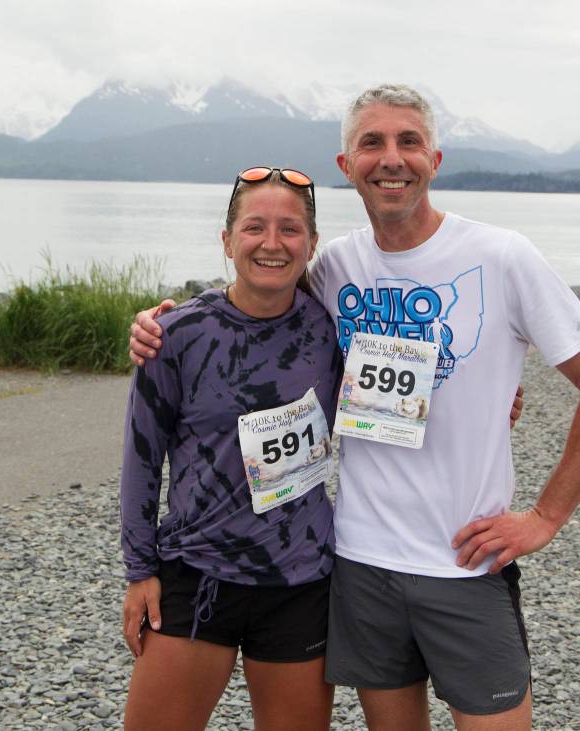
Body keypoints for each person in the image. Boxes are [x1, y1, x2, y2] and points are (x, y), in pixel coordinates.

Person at [131, 85, 580, 731]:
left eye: (408, 142)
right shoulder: (336, 265)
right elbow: (258, 291)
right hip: (361, 561)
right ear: (348, 166)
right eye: (372, 142)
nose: (390, 158)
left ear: (435, 159)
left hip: (466, 560)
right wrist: (161, 324)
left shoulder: (502, 255)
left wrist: (546, 515)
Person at [119, 167, 344, 731]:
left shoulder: (330, 328)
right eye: (254, 228)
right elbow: (141, 462)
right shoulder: (177, 335)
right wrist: (139, 570)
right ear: (226, 241)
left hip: (301, 578)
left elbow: (393, 398)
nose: (272, 243)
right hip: (197, 570)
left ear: (312, 244)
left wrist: (492, 404)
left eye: (290, 230)